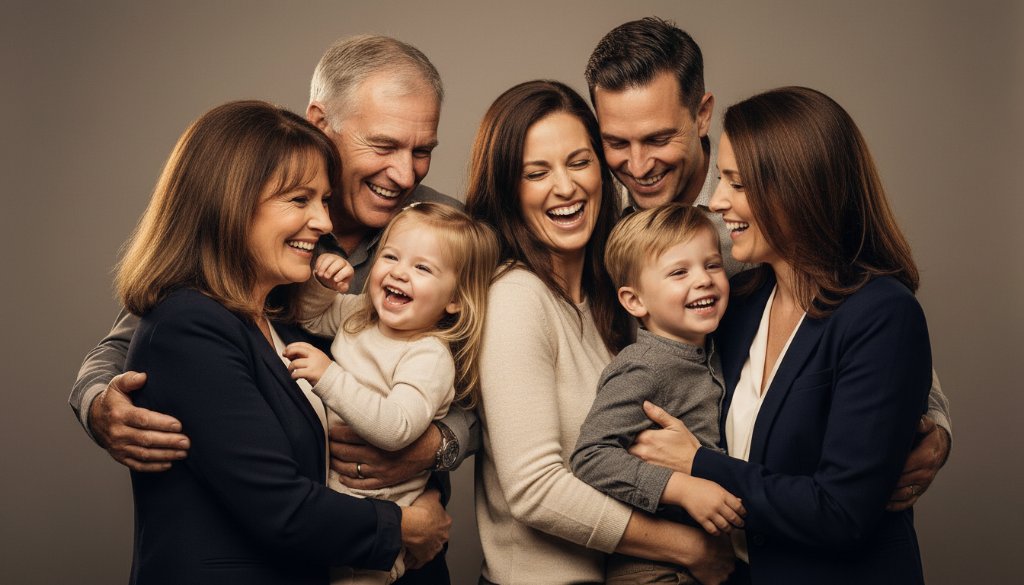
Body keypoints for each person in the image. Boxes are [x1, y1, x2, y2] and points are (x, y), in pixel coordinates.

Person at [69, 34, 466, 583]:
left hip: (398, 548)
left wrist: (432, 445)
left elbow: (500, 388)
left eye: (422, 151)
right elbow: (141, 337)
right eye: (384, 145)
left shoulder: (451, 233)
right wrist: (96, 402)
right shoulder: (237, 238)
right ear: (321, 122)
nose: (405, 174)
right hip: (311, 541)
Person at [584, 16, 951, 509]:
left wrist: (936, 427)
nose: (638, 164)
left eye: (656, 139)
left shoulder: (766, 218)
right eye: (616, 143)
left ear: (701, 114)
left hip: (760, 521)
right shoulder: (588, 223)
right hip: (653, 524)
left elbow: (877, 338)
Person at [630, 87, 932, 584]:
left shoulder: (884, 315)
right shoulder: (742, 303)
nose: (719, 201)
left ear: (801, 189)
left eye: (737, 183)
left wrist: (698, 464)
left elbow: (841, 512)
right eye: (721, 179)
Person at [466, 79, 734, 585]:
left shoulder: (619, 291)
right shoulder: (516, 297)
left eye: (579, 162)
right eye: (535, 172)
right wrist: (688, 548)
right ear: (507, 188)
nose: (565, 187)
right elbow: (534, 489)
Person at [282, 203, 499, 585]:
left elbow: (397, 428)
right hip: (336, 504)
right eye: (391, 256)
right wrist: (323, 286)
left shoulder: (429, 356)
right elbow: (310, 316)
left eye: (423, 268)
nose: (399, 272)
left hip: (381, 518)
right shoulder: (361, 315)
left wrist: (329, 377)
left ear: (454, 300)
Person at [571, 204, 745, 584]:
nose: (703, 280)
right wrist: (682, 488)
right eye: (679, 272)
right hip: (654, 571)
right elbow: (590, 457)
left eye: (712, 265)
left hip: (712, 561)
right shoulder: (643, 366)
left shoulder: (714, 349)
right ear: (635, 301)